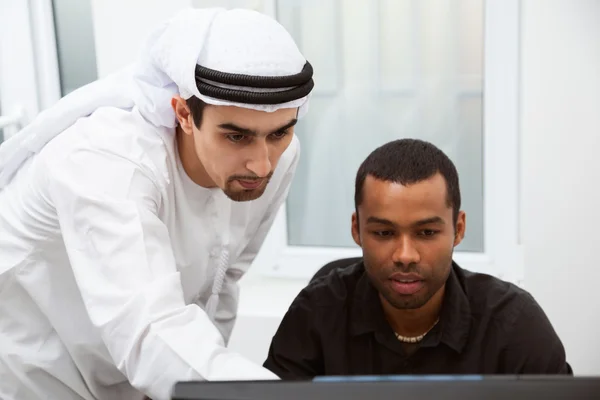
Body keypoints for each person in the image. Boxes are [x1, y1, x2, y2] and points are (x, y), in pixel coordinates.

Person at [0, 7, 314, 400]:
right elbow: (149, 332)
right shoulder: (108, 161)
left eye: (280, 133)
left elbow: (222, 279)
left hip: (131, 369)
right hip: (36, 369)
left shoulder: (279, 157)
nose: (262, 163)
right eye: (236, 137)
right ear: (183, 113)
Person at [263, 139, 571, 379]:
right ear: (357, 230)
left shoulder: (514, 325)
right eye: (384, 233)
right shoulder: (316, 313)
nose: (405, 256)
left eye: (426, 233)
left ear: (458, 229)